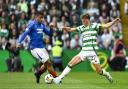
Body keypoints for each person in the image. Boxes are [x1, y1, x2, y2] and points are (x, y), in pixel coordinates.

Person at [53, 13, 121, 84]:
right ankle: (59, 79)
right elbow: (70, 29)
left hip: (92, 52)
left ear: (88, 20)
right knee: (70, 64)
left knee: (99, 71)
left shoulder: (95, 26)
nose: (82, 22)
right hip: (84, 51)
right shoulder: (82, 27)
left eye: (83, 21)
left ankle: (107, 74)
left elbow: (106, 25)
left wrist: (114, 21)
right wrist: (64, 28)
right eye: (82, 21)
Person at [18, 11, 57, 83]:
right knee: (48, 63)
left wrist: (51, 28)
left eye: (42, 18)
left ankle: (38, 73)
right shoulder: (32, 24)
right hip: (35, 48)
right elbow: (25, 33)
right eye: (40, 18)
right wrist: (19, 42)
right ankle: (56, 79)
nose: (42, 19)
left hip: (42, 47)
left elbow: (49, 34)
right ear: (36, 17)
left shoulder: (42, 25)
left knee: (46, 66)